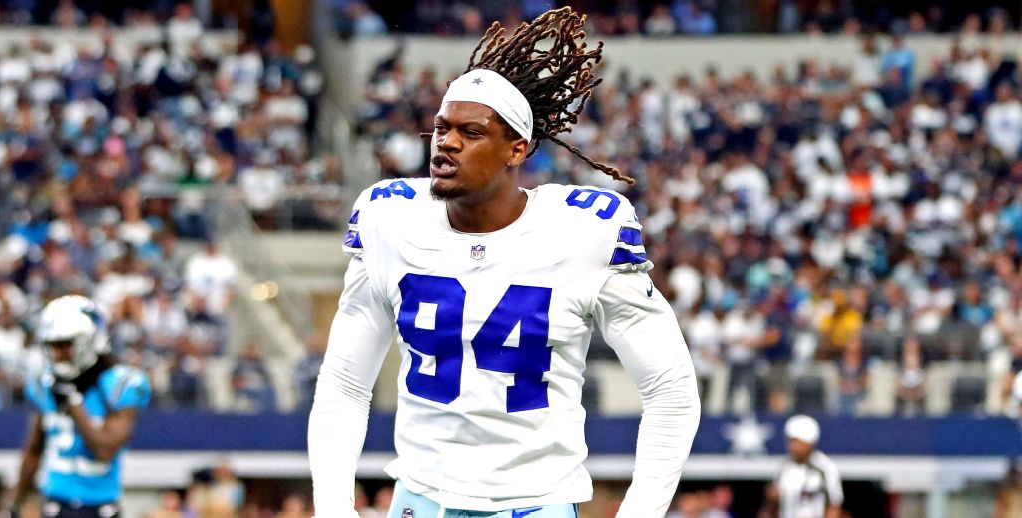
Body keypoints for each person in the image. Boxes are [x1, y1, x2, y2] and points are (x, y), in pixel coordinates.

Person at [308, 8, 700, 518]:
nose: (446, 142)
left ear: (517, 148)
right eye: (441, 128)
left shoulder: (585, 232)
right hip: (419, 498)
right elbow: (344, 383)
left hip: (536, 503)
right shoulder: (391, 220)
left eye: (470, 133)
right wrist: (332, 507)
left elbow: (670, 389)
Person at [7, 295, 151, 518]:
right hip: (55, 504)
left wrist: (74, 405)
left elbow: (104, 450)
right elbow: (34, 450)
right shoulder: (43, 384)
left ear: (89, 340)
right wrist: (13, 505)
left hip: (101, 506)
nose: (57, 354)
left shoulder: (120, 384)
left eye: (65, 345)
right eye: (52, 346)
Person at [767, 415, 842, 518]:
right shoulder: (784, 467)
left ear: (810, 442)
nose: (793, 447)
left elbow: (834, 504)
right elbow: (773, 505)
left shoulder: (824, 467)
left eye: (797, 442)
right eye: (790, 441)